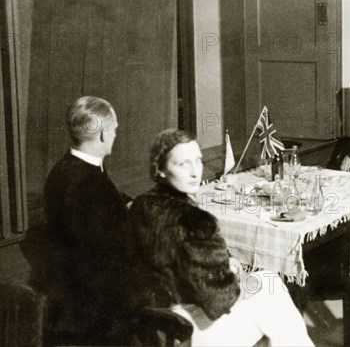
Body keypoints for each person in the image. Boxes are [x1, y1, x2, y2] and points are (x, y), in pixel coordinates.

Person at [127, 128, 314, 346]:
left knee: (268, 285)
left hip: (158, 318)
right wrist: (236, 279)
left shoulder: (142, 205)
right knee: (273, 294)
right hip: (192, 328)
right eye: (183, 164)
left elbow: (177, 262)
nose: (195, 172)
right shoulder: (193, 219)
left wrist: (225, 264)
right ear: (160, 169)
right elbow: (220, 299)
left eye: (197, 160)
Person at [44, 96, 131, 345]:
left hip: (68, 298)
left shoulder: (63, 170)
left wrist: (124, 202)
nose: (116, 134)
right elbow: (111, 251)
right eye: (114, 129)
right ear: (104, 133)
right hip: (96, 313)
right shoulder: (90, 183)